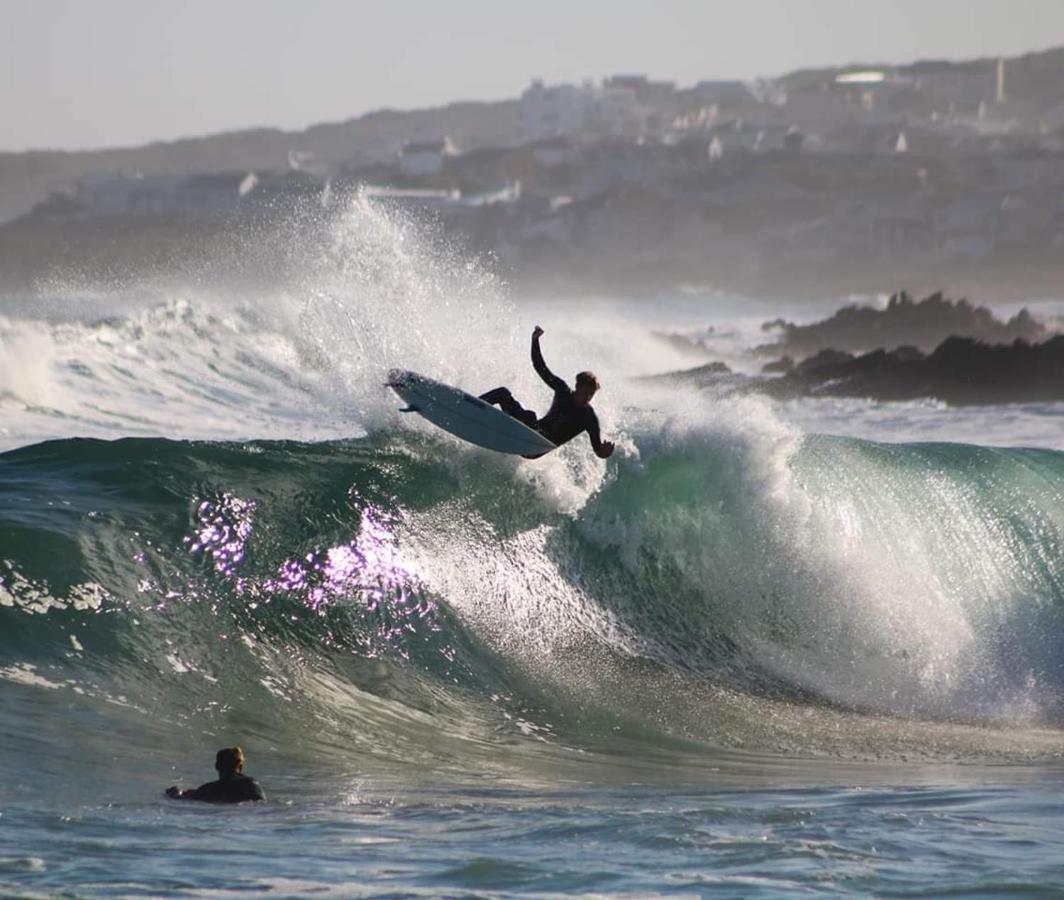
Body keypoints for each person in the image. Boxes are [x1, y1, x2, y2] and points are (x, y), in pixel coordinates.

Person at [480, 327, 615, 459]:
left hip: (535, 447)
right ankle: (470, 406)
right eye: (586, 392)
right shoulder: (563, 391)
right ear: (577, 387)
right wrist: (535, 340)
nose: (588, 397)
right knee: (504, 394)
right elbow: (540, 367)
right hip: (529, 431)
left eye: (591, 394)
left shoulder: (589, 417)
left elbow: (598, 449)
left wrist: (603, 453)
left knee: (529, 418)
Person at [165, 746, 265, 804]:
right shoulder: (250, 784)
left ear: (217, 766)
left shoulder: (209, 789)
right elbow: (260, 803)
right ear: (241, 766)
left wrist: (175, 793)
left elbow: (183, 798)